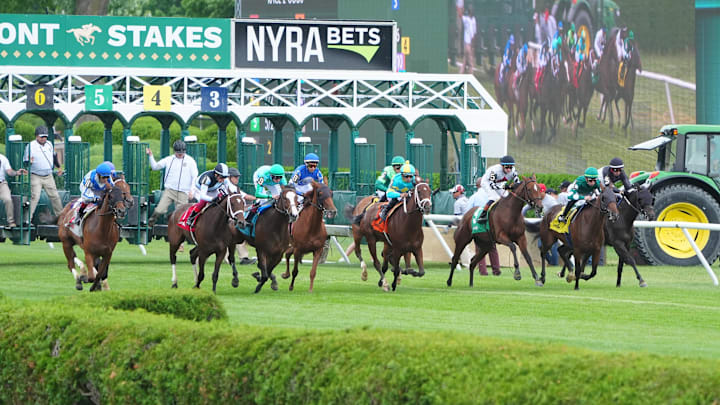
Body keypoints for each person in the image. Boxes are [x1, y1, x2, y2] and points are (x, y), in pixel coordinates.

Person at [146, 140, 198, 227]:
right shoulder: (169, 159)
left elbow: (194, 177)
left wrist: (192, 190)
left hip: (183, 192)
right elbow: (155, 167)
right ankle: (150, 224)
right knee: (159, 210)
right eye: (178, 153)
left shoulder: (190, 161)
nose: (181, 154)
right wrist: (150, 156)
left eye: (182, 152)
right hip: (170, 191)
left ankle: (177, 232)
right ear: (175, 152)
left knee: (180, 216)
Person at [24, 126, 64, 220]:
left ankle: (61, 218)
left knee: (55, 196)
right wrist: (29, 162)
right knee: (35, 197)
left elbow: (54, 157)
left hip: (48, 175)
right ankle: (27, 219)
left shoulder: (49, 144)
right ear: (37, 136)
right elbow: (25, 162)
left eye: (45, 136)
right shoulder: (31, 145)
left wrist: (58, 167)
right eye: (42, 136)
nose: (44, 138)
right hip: (35, 175)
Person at [465, 177, 501, 276]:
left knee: (480, 248)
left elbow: (467, 212)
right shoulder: (493, 195)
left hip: (479, 224)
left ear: (477, 186)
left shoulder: (474, 196)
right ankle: (496, 270)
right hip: (491, 225)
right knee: (492, 247)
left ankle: (483, 271)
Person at [180, 163, 230, 230]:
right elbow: (203, 196)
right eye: (221, 177)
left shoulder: (224, 179)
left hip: (212, 189)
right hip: (199, 189)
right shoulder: (207, 178)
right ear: (216, 174)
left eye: (224, 177)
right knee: (203, 202)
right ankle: (191, 217)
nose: (223, 180)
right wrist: (212, 199)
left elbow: (229, 190)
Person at [226, 167, 257, 265]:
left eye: (238, 177)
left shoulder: (235, 188)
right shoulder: (227, 187)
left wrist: (259, 198)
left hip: (234, 215)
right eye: (235, 177)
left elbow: (246, 196)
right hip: (227, 215)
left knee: (239, 230)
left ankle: (243, 257)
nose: (237, 179)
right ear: (229, 177)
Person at [477, 155, 519, 221]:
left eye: (510, 167)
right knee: (494, 197)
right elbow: (492, 185)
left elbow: (517, 182)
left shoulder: (513, 171)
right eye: (507, 167)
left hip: (499, 183)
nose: (509, 169)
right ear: (502, 166)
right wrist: (505, 187)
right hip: (487, 183)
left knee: (507, 196)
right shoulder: (494, 171)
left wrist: (513, 186)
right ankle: (483, 214)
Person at [0, 152, 28, 228]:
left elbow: (9, 171)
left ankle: (11, 221)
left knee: (8, 199)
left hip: (1, 183)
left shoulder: (2, 158)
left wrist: (16, 173)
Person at [459, 3, 476, 74]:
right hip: (467, 42)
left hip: (471, 42)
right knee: (470, 61)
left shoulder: (474, 20)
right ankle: (470, 75)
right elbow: (460, 15)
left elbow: (474, 32)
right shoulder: (466, 19)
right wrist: (460, 7)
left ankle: (460, 74)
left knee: (465, 60)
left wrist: (473, 43)